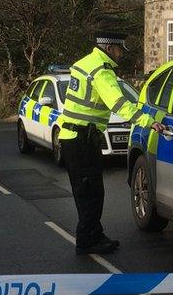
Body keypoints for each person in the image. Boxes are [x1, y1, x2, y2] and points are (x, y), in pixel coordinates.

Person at [58, 31, 165, 255]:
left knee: (87, 191)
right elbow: (120, 105)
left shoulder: (84, 63)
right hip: (82, 139)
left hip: (74, 138)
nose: (121, 54)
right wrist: (149, 121)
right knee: (91, 193)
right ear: (109, 48)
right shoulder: (101, 72)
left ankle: (93, 234)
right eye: (119, 50)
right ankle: (87, 240)